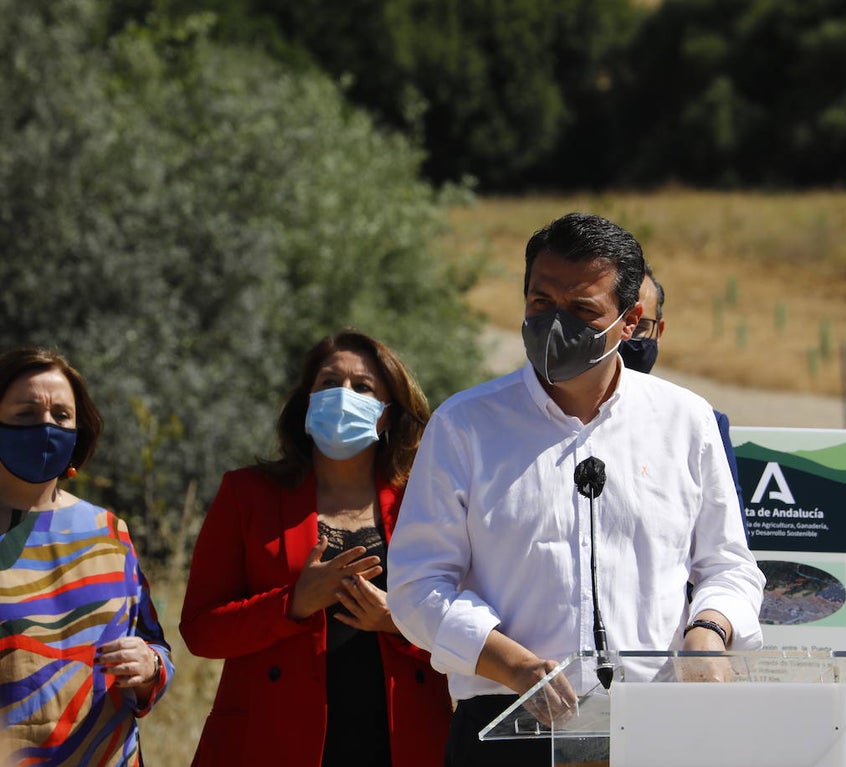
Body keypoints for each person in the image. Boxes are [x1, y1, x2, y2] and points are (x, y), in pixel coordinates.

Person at [387, 212, 765, 765]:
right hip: (505, 727)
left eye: (582, 310)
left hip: (657, 728)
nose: (556, 324)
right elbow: (418, 586)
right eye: (541, 304)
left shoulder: (686, 420)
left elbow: (728, 567)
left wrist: (708, 635)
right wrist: (512, 664)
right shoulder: (464, 425)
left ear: (630, 320)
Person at [180, 330, 451, 767]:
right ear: (307, 400)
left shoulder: (425, 500)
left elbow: (467, 624)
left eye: (362, 387)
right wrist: (293, 603)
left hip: (404, 742)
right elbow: (200, 629)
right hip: (273, 742)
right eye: (328, 382)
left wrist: (399, 623)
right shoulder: (247, 494)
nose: (343, 396)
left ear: (386, 415)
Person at [0, 347, 173, 766]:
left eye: (61, 416)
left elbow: (156, 649)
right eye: (26, 413)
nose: (46, 427)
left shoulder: (109, 533)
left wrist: (149, 667)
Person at [619, 265, 746, 517]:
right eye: (619, 323)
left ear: (660, 332)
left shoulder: (699, 425)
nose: (626, 336)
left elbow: (728, 547)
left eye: (639, 326)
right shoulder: (555, 417)